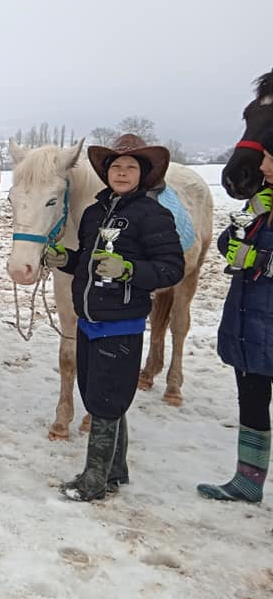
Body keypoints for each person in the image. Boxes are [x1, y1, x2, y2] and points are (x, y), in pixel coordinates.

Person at [45, 133, 185, 501]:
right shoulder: (95, 213)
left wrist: (128, 271)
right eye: (116, 166)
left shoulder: (152, 215)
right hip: (89, 321)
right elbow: (88, 262)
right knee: (97, 394)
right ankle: (115, 469)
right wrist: (67, 259)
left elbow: (171, 268)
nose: (121, 172)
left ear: (143, 174)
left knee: (106, 400)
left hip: (122, 324)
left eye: (130, 167)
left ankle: (94, 480)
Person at [197, 128, 273, 503]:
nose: (263, 166)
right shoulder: (261, 204)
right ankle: (248, 481)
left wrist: (263, 261)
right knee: (253, 399)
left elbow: (260, 258)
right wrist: (235, 240)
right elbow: (233, 241)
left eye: (270, 159)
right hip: (250, 319)